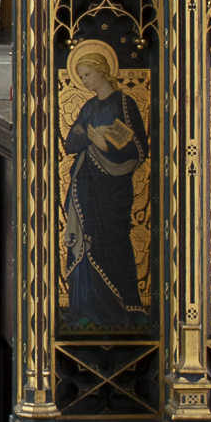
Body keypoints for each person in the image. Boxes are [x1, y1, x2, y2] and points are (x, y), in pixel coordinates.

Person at [62, 44, 148, 323]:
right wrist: (90, 138)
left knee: (115, 242)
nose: (84, 81)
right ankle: (86, 308)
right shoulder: (88, 107)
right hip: (87, 185)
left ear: (101, 73)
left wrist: (108, 147)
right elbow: (70, 143)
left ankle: (127, 307)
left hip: (115, 189)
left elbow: (139, 150)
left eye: (87, 74)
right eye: (81, 76)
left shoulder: (124, 103)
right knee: (87, 243)